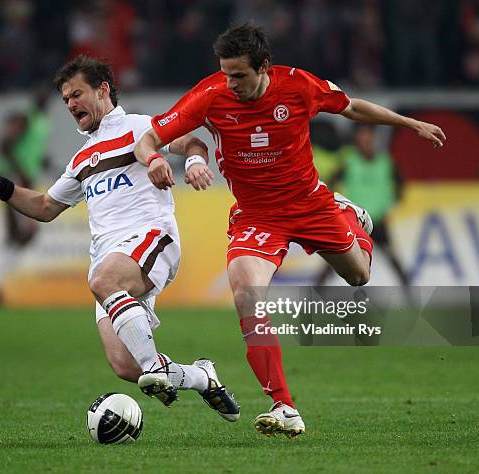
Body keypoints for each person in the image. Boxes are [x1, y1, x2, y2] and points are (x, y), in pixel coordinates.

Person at [134, 23, 446, 438]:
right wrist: (154, 159)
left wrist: (409, 124)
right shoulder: (211, 93)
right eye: (226, 73)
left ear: (264, 67)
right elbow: (150, 136)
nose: (231, 83)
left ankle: (348, 215)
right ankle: (283, 405)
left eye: (240, 75)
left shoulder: (298, 85)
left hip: (310, 205)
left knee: (358, 274)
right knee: (246, 290)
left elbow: (351, 107)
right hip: (256, 215)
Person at [0, 55, 239, 422]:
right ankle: (202, 377)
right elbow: (44, 206)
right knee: (124, 365)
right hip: (110, 256)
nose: (70, 104)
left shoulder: (140, 127)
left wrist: (196, 163)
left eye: (77, 94)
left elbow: (192, 142)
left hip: (151, 237)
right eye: (66, 100)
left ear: (103, 89)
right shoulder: (82, 159)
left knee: (104, 284)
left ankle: (154, 363)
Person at [316, 123, 410, 286]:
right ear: (357, 140)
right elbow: (331, 182)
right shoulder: (349, 161)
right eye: (362, 137)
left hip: (378, 221)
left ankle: (411, 295)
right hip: (355, 221)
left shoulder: (385, 162)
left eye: (368, 137)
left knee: (393, 259)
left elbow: (400, 188)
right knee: (337, 258)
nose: (365, 140)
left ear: (374, 139)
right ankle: (315, 294)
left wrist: (389, 206)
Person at [0, 88, 51, 306]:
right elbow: (4, 145)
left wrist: (41, 164)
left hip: (23, 178)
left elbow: (29, 150)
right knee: (24, 232)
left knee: (20, 234)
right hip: (13, 178)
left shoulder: (41, 121)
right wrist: (20, 172)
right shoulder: (26, 117)